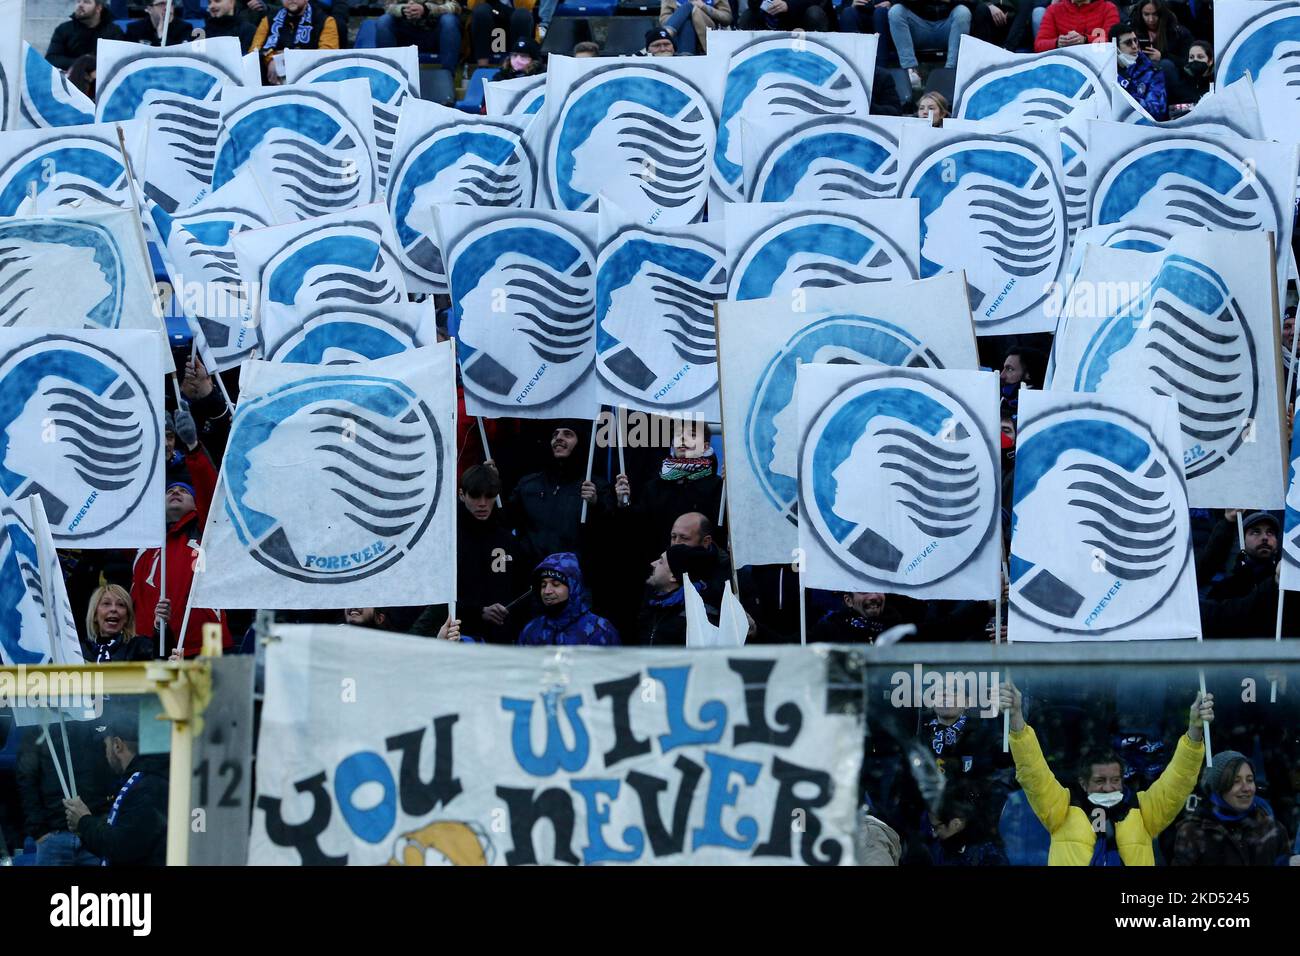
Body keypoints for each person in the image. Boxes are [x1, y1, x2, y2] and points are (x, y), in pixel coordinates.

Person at [1000, 681, 1212, 865]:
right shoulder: (1061, 809)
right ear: (1083, 783)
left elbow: (1179, 781)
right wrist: (1017, 717)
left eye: (1115, 780)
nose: (1109, 786)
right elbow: (1033, 772)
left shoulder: (1145, 812)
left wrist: (1195, 730)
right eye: (1100, 780)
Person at [131, 478, 234, 658]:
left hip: (204, 643)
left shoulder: (207, 530)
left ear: (197, 505)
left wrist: (194, 451)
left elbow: (209, 489)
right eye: (170, 491)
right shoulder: (143, 541)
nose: (176, 492)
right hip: (149, 643)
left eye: (184, 491)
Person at [62, 704, 169, 867]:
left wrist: (84, 821)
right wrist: (84, 828)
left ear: (117, 745)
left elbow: (122, 846)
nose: (105, 754)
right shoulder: (141, 779)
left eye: (106, 745)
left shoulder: (147, 785)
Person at [614, 421, 725, 571]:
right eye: (678, 435)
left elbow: (724, 533)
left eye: (692, 435)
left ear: (705, 446)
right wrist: (623, 505)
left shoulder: (719, 486)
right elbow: (637, 532)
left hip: (703, 572)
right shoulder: (654, 486)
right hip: (661, 573)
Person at [506, 421, 612, 572]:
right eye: (555, 434)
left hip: (576, 581)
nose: (559, 438)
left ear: (580, 443)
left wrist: (596, 504)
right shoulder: (528, 484)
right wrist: (491, 485)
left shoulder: (596, 487)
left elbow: (611, 534)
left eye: (568, 434)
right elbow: (504, 520)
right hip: (533, 577)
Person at [1172, 751, 1298, 866]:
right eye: (1236, 781)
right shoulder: (1192, 832)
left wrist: (1287, 862)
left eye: (1250, 780)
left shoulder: (1273, 829)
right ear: (1218, 786)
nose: (1246, 788)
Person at [17, 719, 113, 866]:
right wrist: (39, 831)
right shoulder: (37, 724)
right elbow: (27, 778)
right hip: (54, 835)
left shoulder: (96, 718)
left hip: (95, 830)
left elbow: (116, 766)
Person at [449, 464, 523, 643]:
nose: (482, 503)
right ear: (461, 495)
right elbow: (438, 598)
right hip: (460, 637)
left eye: (489, 496)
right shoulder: (448, 539)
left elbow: (520, 589)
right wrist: (479, 612)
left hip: (501, 640)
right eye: (475, 496)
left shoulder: (507, 540)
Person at [1199, 512, 1295, 638]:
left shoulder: (1289, 585)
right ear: (1242, 541)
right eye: (1255, 532)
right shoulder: (1225, 588)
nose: (1265, 537)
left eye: (1270, 532)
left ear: (1277, 543)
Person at [517, 553, 620, 646]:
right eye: (543, 585)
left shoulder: (601, 630)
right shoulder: (531, 630)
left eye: (556, 584)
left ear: (573, 587)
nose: (547, 591)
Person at [635, 545, 720, 646]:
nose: (653, 564)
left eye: (661, 561)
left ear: (674, 576)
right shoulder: (653, 605)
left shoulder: (698, 614)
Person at [250, 0, 341, 85]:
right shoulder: (268, 20)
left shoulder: (325, 21)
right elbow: (253, 52)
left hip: (310, 83)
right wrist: (270, 59)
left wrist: (283, 59)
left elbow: (327, 56)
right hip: (270, 85)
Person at [888, 0, 972, 90]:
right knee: (895, 11)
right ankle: (910, 71)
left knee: (963, 12)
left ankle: (950, 71)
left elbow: (972, 4)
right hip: (918, 26)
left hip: (947, 27)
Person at [376, 0, 463, 73]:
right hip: (405, 33)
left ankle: (447, 77)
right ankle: (387, 76)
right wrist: (403, 10)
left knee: (449, 21)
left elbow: (456, 7)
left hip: (435, 33)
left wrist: (427, 9)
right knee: (384, 21)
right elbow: (387, 7)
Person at [83, 584, 157, 661]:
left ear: (127, 617)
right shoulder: (80, 650)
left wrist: (160, 627)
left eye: (121, 605)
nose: (113, 609)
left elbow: (159, 657)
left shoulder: (141, 647)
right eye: (106, 603)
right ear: (95, 615)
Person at [46, 0, 125, 71]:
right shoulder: (64, 29)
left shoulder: (114, 31)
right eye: (78, 1)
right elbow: (51, 58)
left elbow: (119, 61)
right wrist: (83, 63)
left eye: (86, 2)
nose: (80, 5)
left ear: (98, 8)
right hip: (70, 81)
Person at [811, 592, 905, 642]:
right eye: (864, 591)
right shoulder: (828, 632)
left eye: (878, 589)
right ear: (848, 600)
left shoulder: (902, 629)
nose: (873, 596)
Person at [1033, 0, 1118, 53]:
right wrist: (1057, 42)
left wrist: (1085, 39)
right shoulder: (1053, 10)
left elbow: (1113, 43)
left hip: (1098, 65)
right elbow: (1039, 45)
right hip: (1062, 67)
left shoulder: (1108, 8)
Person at [470, 0, 536, 68]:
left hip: (515, 13)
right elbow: (471, 5)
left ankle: (518, 66)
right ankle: (482, 67)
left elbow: (528, 5)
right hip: (490, 14)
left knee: (522, 15)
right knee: (481, 12)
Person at [659, 0, 732, 55]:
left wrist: (704, 7)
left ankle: (667, 33)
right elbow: (663, 19)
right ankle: (686, 56)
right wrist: (681, 15)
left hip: (707, 34)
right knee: (687, 19)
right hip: (680, 36)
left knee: (689, 5)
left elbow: (727, 18)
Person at [1130, 0, 1191, 65]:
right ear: (1140, 14)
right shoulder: (1134, 31)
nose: (1151, 19)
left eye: (1155, 14)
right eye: (1146, 14)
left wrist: (1162, 56)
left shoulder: (1180, 33)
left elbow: (1186, 62)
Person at [1167, 39, 1212, 107]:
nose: (1195, 60)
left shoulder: (1216, 87)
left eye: (1200, 57)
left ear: (1210, 61)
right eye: (1191, 57)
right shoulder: (1179, 88)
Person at [126, 0, 195, 45]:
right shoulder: (134, 29)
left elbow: (179, 56)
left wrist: (162, 35)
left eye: (170, 4)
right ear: (149, 9)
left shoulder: (184, 28)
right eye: (161, 4)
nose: (167, 8)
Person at [739, 0, 833, 32]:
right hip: (773, 21)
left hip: (803, 21)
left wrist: (788, 5)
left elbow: (820, 2)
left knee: (814, 13)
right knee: (748, 15)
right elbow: (752, 3)